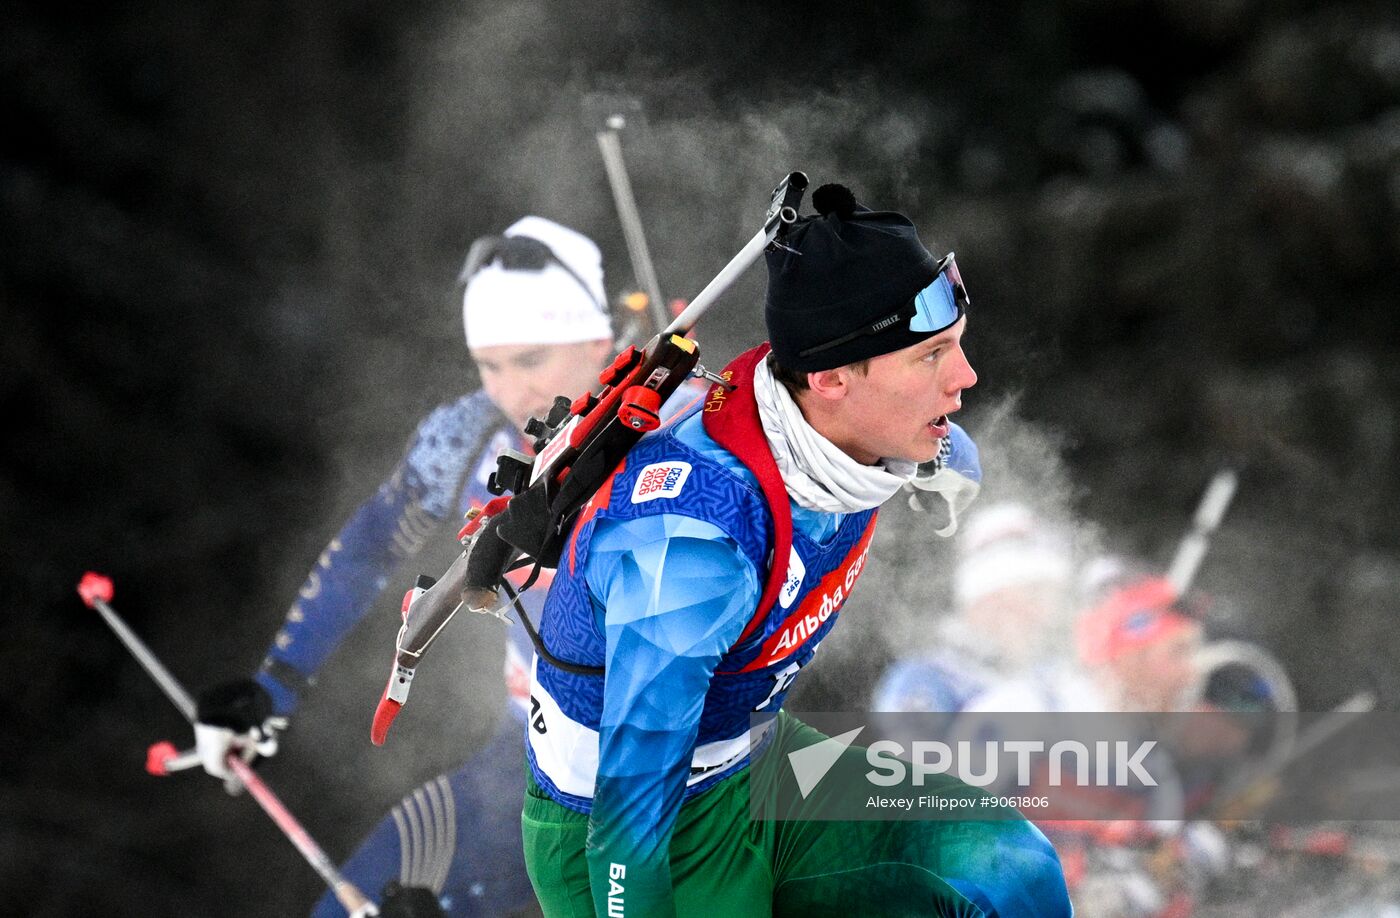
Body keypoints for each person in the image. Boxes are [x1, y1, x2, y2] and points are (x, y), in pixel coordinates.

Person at [519, 183, 1070, 916]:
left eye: (958, 347)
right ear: (833, 379)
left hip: (759, 763)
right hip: (636, 832)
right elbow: (626, 835)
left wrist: (950, 479)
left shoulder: (864, 434)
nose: (965, 378)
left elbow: (947, 455)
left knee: (1013, 870)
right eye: (932, 356)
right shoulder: (694, 551)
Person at [194, 216, 693, 917]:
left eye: (529, 360)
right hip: (532, 763)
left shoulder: (688, 424)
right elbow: (371, 543)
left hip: (691, 766)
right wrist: (272, 687)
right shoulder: (470, 438)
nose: (507, 391)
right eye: (488, 366)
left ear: (597, 338)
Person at [873, 500, 1081, 716]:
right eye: (1034, 594)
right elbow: (904, 748)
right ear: (990, 600)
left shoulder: (1055, 679)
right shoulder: (929, 682)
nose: (1046, 612)